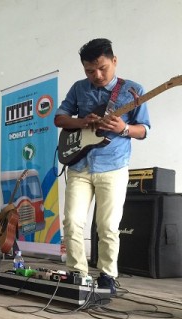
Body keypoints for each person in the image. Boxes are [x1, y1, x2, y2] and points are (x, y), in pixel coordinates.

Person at [54, 38, 151, 295]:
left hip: (113, 167)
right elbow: (60, 118)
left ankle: (107, 275)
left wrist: (125, 129)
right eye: (89, 70)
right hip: (80, 167)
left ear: (114, 61)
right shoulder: (79, 88)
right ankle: (78, 273)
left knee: (107, 226)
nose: (96, 75)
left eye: (102, 68)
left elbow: (144, 130)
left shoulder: (133, 90)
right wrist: (83, 121)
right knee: (72, 221)